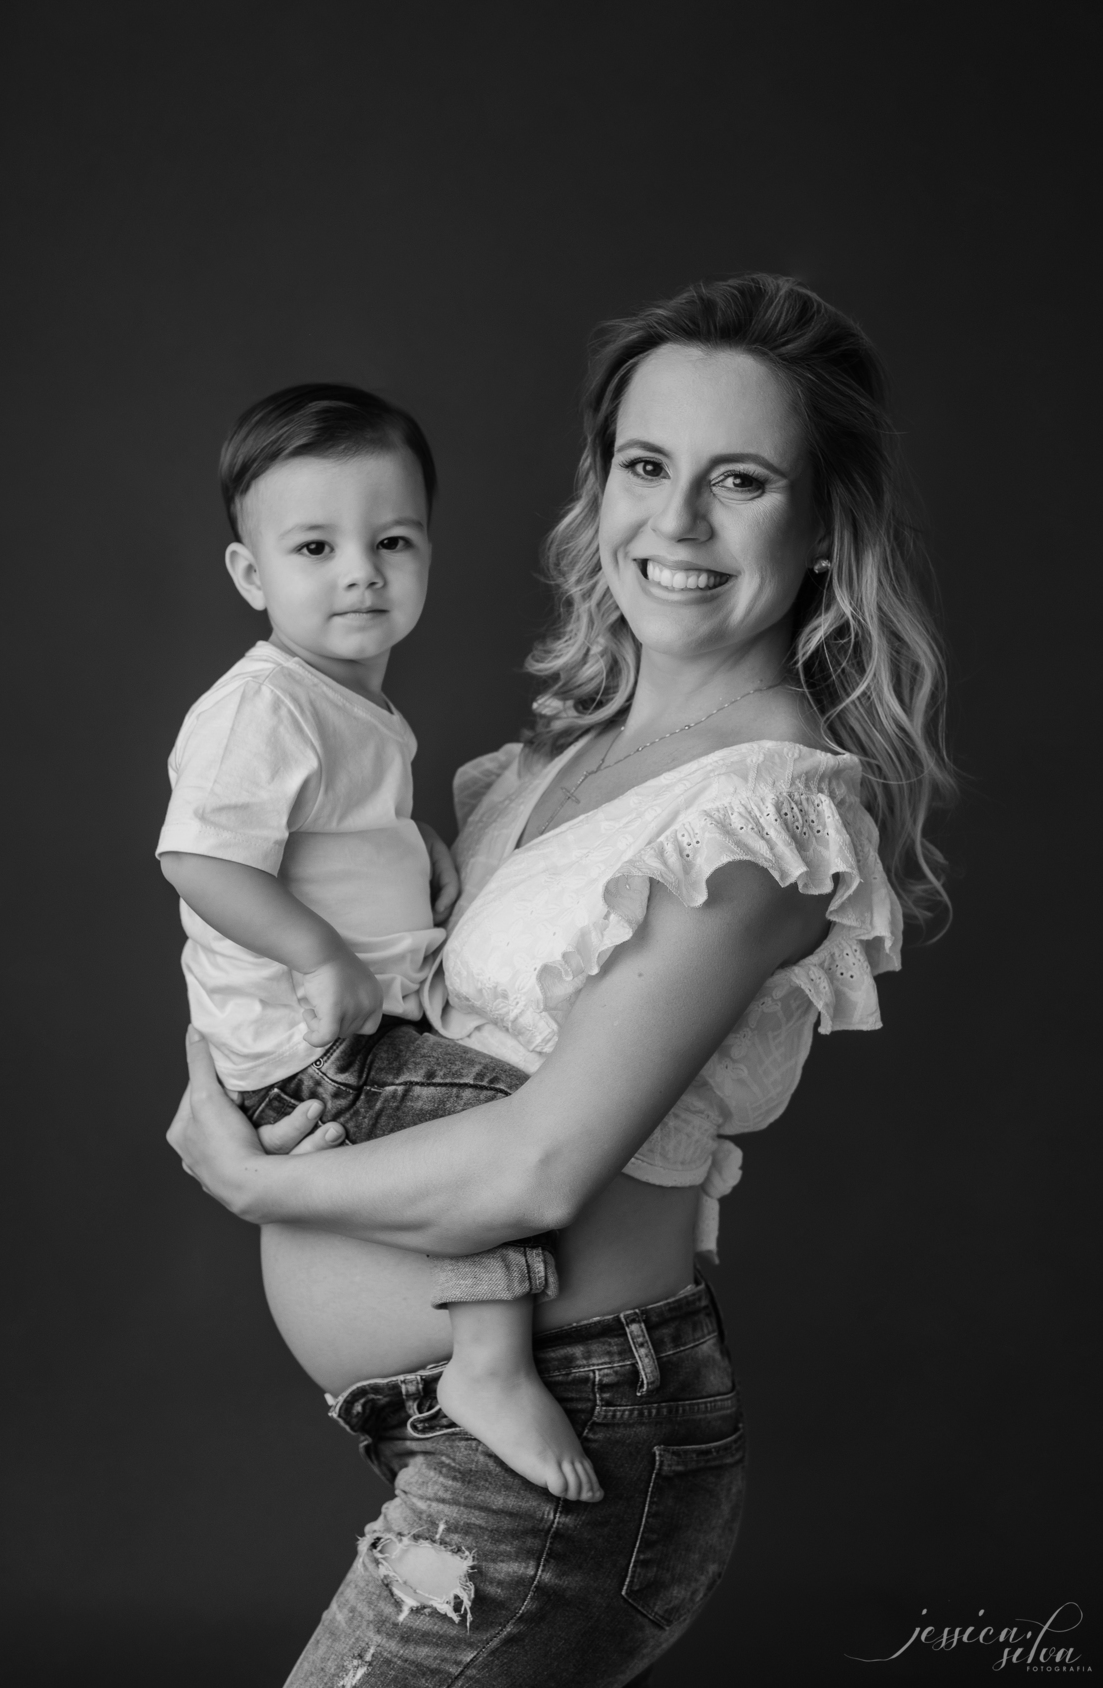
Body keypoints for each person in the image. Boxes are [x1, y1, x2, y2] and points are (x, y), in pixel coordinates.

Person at [168, 273, 954, 1688]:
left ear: (827, 527)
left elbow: (535, 1166)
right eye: (647, 467)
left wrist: (252, 1182)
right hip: (452, 1427)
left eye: (742, 480)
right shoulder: (552, 761)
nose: (679, 522)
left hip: (569, 1448)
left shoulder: (762, 818)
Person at [158, 383, 602, 1501]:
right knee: (498, 1125)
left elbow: (324, 836)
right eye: (315, 547)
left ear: (426, 555)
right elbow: (202, 860)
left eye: (392, 541)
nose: (360, 571)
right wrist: (322, 957)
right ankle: (488, 1364)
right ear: (251, 575)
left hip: (348, 1028)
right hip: (311, 1046)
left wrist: (418, 849)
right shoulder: (263, 706)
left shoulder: (351, 703)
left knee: (505, 1120)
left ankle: (491, 1350)